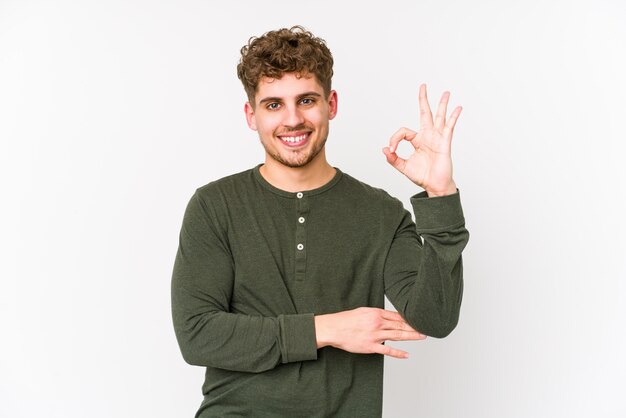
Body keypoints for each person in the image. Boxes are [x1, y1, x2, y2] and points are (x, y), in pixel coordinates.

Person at [171, 25, 469, 418]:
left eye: (306, 100)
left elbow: (436, 317)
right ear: (251, 115)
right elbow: (197, 335)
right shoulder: (214, 206)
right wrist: (327, 330)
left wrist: (440, 196)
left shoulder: (381, 213)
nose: (292, 120)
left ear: (332, 104)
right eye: (273, 104)